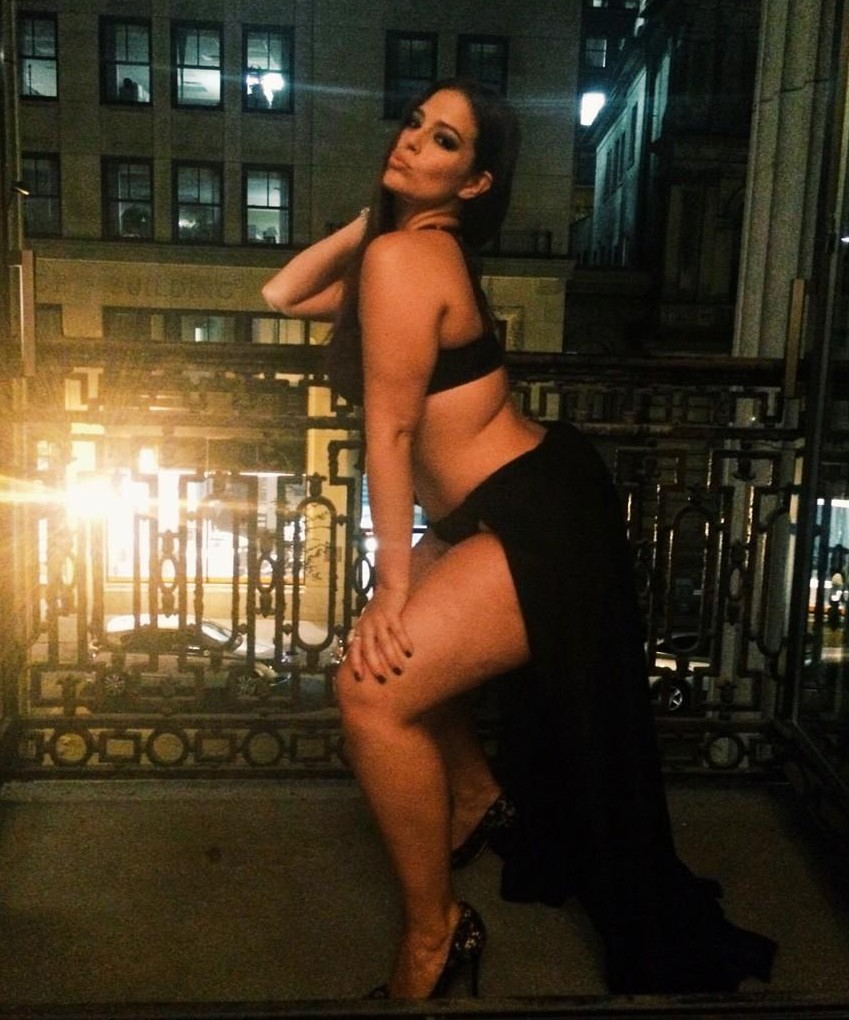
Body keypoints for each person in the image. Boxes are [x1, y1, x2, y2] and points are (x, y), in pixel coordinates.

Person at [262, 77, 777, 1000]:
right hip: (504, 504)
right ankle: (475, 799)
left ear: (475, 183)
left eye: (444, 140)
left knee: (372, 692)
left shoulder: (410, 260)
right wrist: (375, 214)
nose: (413, 139)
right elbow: (282, 292)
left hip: (537, 515)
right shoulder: (400, 251)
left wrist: (391, 584)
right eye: (414, 123)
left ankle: (436, 936)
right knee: (401, 679)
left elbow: (391, 431)